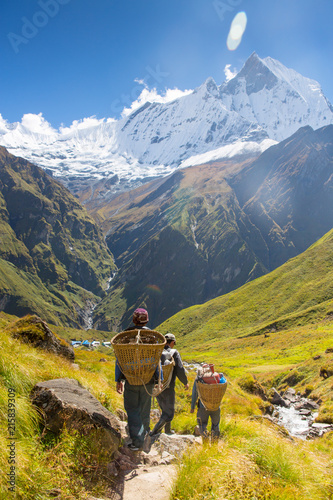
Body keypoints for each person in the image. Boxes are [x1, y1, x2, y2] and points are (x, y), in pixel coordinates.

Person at [115, 307, 162, 451]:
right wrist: (159, 380)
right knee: (144, 409)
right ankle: (144, 436)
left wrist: (118, 380)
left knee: (132, 409)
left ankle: (137, 441)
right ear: (147, 320)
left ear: (134, 320)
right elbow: (157, 361)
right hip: (147, 379)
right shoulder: (152, 338)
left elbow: (119, 360)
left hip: (131, 379)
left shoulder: (125, 337)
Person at [150, 332, 189, 437]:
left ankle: (167, 430)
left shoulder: (157, 352)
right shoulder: (174, 353)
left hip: (157, 385)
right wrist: (185, 382)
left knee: (164, 409)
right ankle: (155, 431)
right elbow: (180, 369)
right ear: (172, 342)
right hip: (168, 386)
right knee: (169, 412)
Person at [190, 365, 226, 441]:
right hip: (216, 406)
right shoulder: (217, 378)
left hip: (203, 407)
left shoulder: (198, 380)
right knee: (215, 425)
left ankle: (205, 443)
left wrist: (192, 407)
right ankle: (214, 444)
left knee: (202, 425)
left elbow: (194, 394)